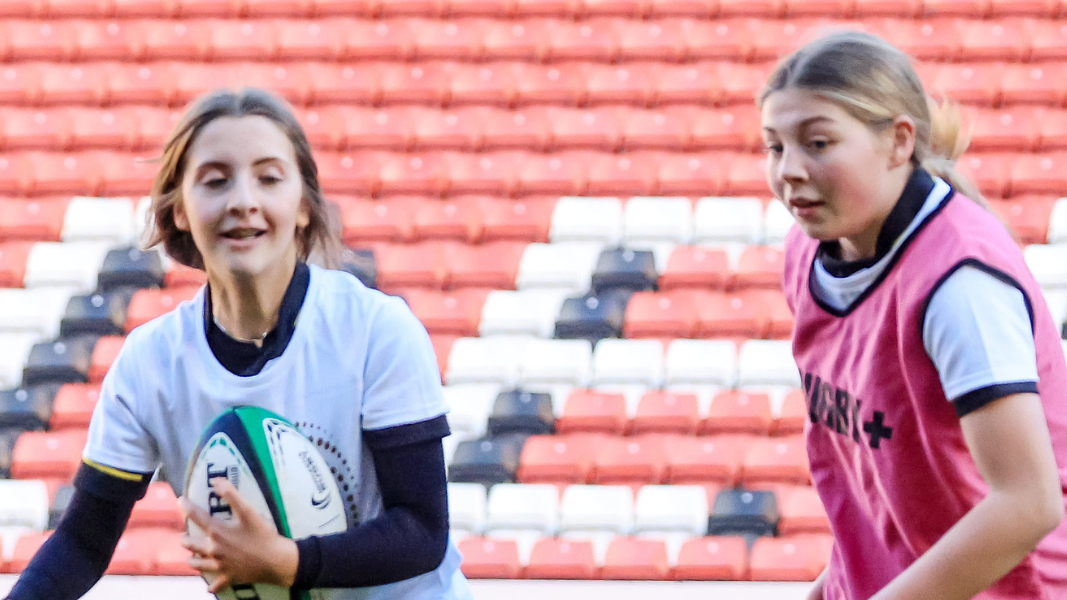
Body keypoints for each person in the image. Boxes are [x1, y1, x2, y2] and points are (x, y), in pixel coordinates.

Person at [5, 88, 472, 600]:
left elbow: (424, 531)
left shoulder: (376, 330)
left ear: (303, 207)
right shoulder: (149, 364)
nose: (243, 200)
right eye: (214, 181)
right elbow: (82, 543)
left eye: (269, 178)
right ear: (179, 209)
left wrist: (286, 563)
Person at [761, 31, 1067, 600]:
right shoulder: (805, 254)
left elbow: (1029, 503)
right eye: (775, 146)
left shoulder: (960, 284)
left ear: (899, 141)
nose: (790, 170)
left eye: (818, 143)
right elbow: (881, 480)